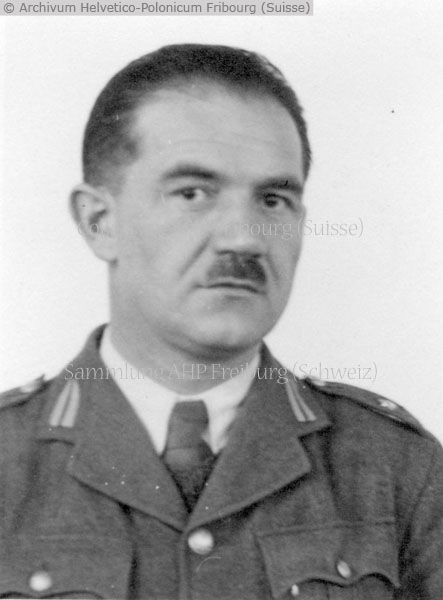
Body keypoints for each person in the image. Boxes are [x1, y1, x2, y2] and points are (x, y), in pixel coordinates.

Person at [0, 44, 442, 600]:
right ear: (99, 222)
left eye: (273, 200)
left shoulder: (395, 468)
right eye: (193, 193)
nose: (245, 238)